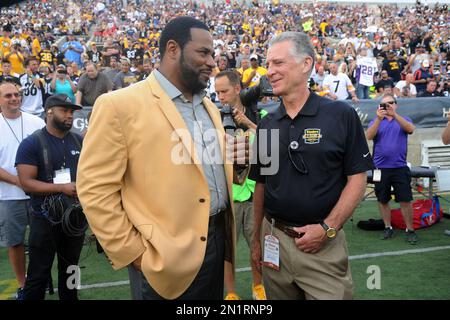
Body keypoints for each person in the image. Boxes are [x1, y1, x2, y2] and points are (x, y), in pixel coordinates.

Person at [76, 16, 249, 300]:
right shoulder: (119, 105)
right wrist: (135, 254)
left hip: (217, 242)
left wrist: (236, 164)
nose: (211, 62)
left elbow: (203, 172)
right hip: (162, 256)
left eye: (212, 54)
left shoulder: (208, 105)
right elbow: (94, 188)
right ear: (172, 50)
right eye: (203, 53)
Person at [249, 32, 372, 300]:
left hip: (323, 247)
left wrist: (328, 229)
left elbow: (357, 179)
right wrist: (256, 239)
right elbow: (262, 184)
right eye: (268, 64)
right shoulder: (268, 123)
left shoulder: (340, 115)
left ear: (306, 64)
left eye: (278, 63)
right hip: (275, 243)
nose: (270, 71)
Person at [15, 94, 85, 300]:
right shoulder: (32, 143)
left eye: (71, 112)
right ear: (49, 112)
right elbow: (26, 182)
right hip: (44, 218)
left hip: (74, 218)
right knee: (38, 274)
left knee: (72, 270)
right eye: (65, 110)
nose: (69, 115)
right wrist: (62, 187)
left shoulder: (80, 141)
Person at [214, 70, 266, 300]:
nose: (220, 97)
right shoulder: (213, 118)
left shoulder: (260, 114)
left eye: (224, 91)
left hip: (255, 195)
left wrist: (249, 124)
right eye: (216, 92)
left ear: (237, 89)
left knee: (258, 246)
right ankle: (231, 293)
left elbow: (273, 149)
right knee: (228, 251)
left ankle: (259, 287)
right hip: (229, 197)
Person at [0, 82, 45, 300]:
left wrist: (32, 182)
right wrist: (19, 181)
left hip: (38, 193)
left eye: (17, 94)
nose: (14, 98)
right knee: (15, 241)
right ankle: (22, 284)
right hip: (9, 196)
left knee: (43, 240)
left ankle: (38, 280)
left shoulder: (36, 122)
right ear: (0, 99)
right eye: (8, 95)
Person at [365, 94, 418, 245]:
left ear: (396, 105)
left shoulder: (404, 119)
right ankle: (387, 227)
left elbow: (410, 129)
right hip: (379, 168)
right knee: (382, 199)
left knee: (405, 200)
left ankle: (410, 229)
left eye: (390, 103)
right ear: (379, 107)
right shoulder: (376, 121)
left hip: (400, 167)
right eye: (384, 104)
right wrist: (378, 119)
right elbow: (369, 136)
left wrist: (394, 115)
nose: (387, 107)